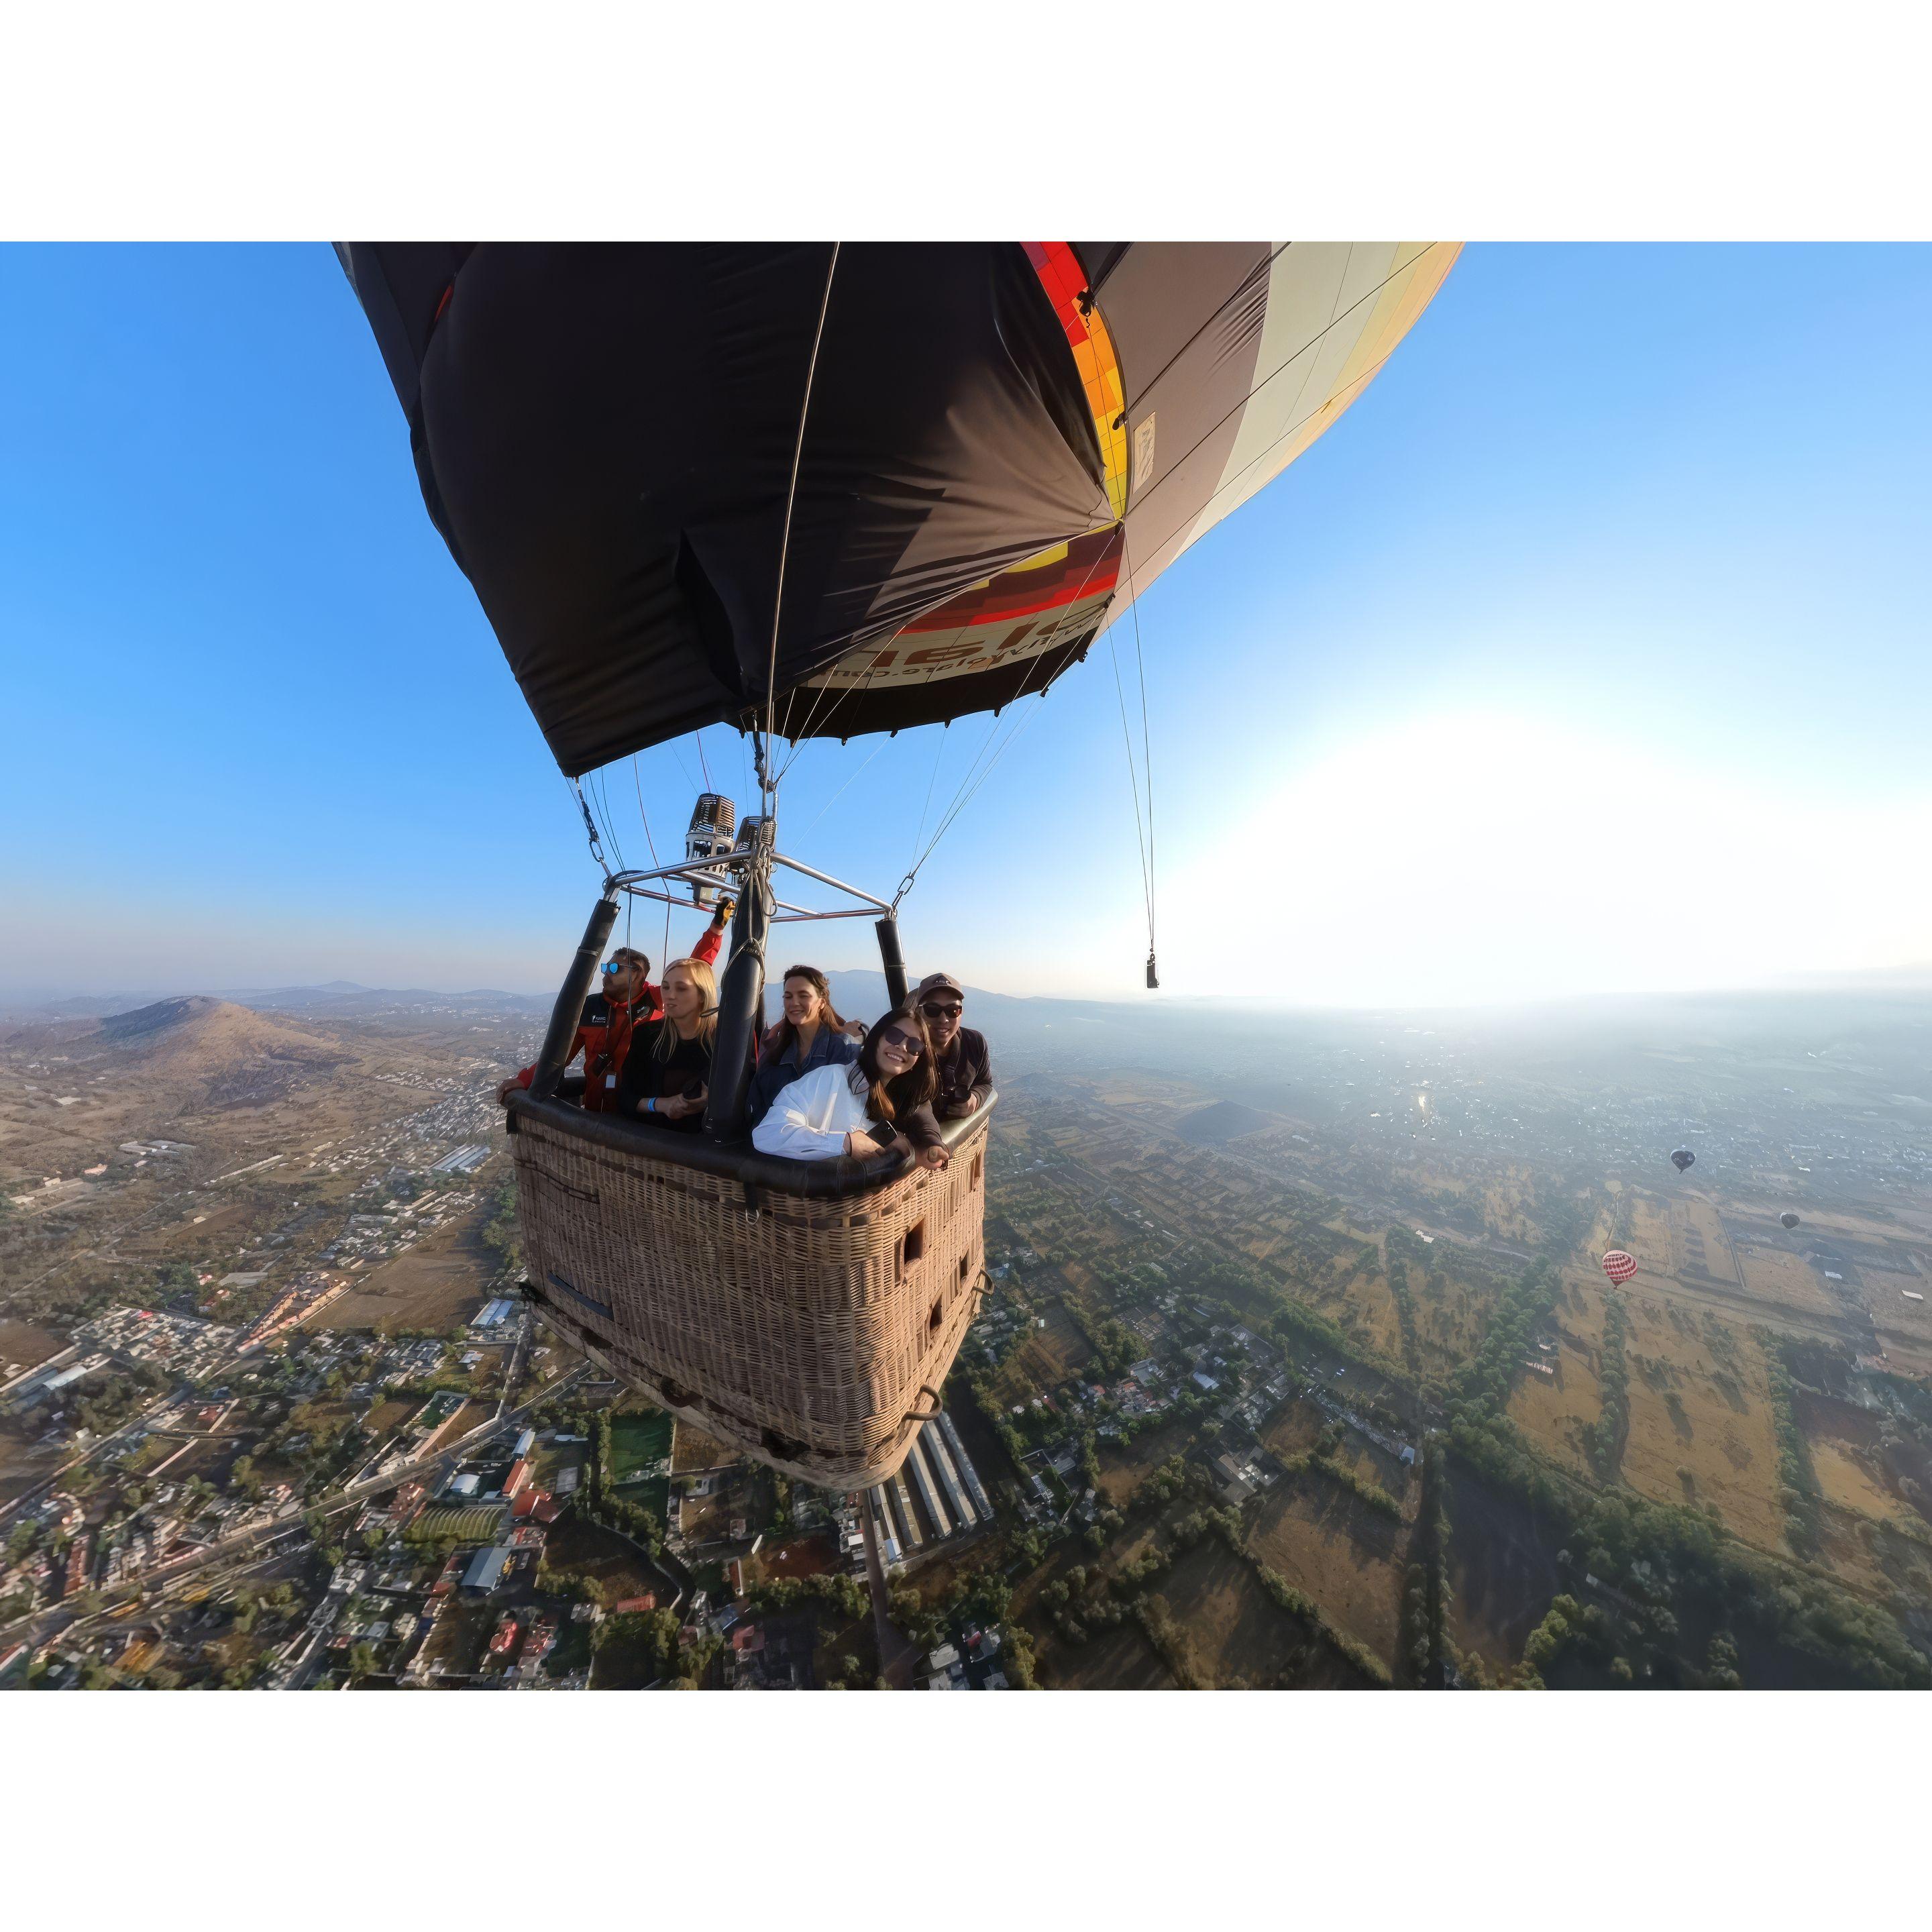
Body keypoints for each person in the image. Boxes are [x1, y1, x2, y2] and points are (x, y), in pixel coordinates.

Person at [496, 898, 733, 1110]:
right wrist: (524, 1080)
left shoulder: (656, 999)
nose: (606, 974)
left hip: (637, 1109)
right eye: (605, 967)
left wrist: (716, 930)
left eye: (614, 968)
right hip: (596, 1106)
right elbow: (560, 1056)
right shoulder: (590, 1007)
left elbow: (694, 969)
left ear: (638, 975)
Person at [751, 1005, 949, 1169]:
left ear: (919, 1059)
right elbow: (768, 1133)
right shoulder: (830, 1079)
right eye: (894, 1035)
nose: (902, 1046)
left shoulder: (895, 1099)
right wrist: (845, 1143)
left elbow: (921, 1111)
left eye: (914, 1045)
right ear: (877, 1038)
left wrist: (921, 1145)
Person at [746, 965, 867, 1125]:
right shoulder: (774, 1056)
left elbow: (860, 1112)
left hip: (832, 1146)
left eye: (803, 996)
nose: (794, 1003)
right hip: (775, 1144)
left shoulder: (845, 1053)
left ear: (822, 1002)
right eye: (788, 997)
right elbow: (757, 1113)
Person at [616, 956, 722, 1132]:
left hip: (705, 1148)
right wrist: (659, 1104)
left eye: (681, 989)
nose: (670, 995)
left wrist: (712, 1102)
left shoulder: (724, 1041)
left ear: (702, 995)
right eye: (665, 987)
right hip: (657, 1142)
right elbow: (626, 1099)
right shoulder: (648, 1036)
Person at [912, 971, 991, 1120]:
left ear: (961, 1013)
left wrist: (975, 1099)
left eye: (953, 1011)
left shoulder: (974, 1043)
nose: (943, 1019)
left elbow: (984, 1082)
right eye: (933, 1009)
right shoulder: (906, 1052)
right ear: (918, 1012)